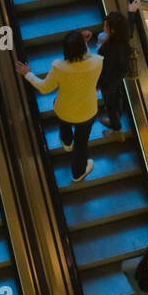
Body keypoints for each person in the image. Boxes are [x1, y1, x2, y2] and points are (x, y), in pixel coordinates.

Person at [16, 30, 102, 182]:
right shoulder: (98, 62)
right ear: (83, 48)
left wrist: (27, 74)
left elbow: (44, 88)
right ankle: (78, 173)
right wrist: (83, 43)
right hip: (87, 111)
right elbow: (86, 60)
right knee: (81, 144)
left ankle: (66, 143)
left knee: (64, 125)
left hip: (64, 109)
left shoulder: (59, 67)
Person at [96, 1, 139, 140]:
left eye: (106, 25)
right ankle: (116, 120)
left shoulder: (110, 48)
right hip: (118, 78)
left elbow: (105, 70)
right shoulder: (123, 37)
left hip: (109, 82)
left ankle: (117, 131)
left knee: (111, 106)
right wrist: (131, 13)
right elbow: (130, 29)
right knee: (117, 100)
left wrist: (98, 85)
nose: (104, 26)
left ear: (112, 30)